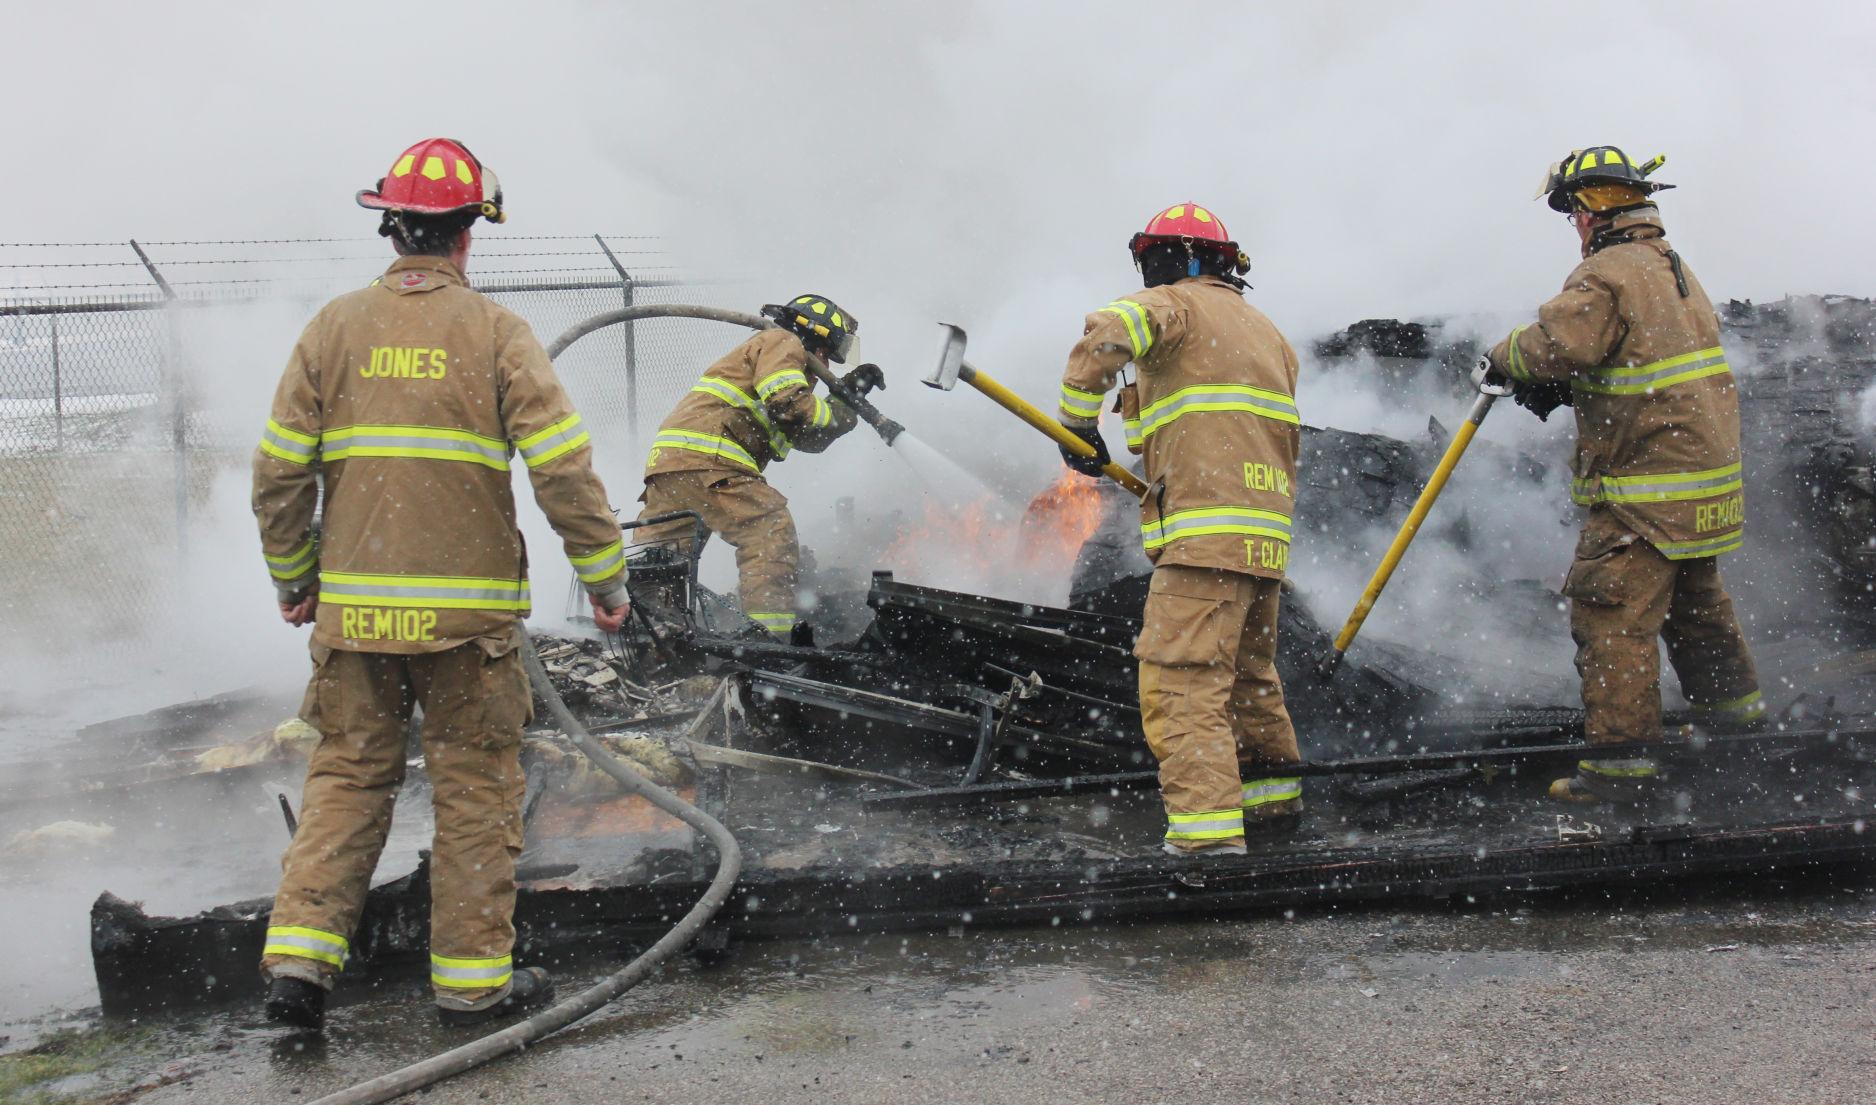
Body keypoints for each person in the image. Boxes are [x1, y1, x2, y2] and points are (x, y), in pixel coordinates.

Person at [251, 137, 630, 1031]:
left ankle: (297, 977)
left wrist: (295, 576)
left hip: (353, 625)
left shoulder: (331, 328)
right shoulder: (497, 332)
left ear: (392, 229)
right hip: (469, 629)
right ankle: (470, 989)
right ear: (467, 234)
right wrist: (607, 579)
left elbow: (276, 474)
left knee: (345, 780)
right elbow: (563, 471)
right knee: (473, 790)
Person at [1483, 146, 1763, 803]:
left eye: (1573, 212)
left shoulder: (1607, 273)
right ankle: (1740, 731)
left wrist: (1503, 355)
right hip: (1699, 487)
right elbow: (1625, 359)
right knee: (1698, 611)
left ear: (1589, 210)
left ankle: (1620, 770)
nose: (1574, 226)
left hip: (1645, 491)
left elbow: (1557, 343)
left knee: (1612, 616)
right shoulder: (1671, 267)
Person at [1053, 203, 1303, 856]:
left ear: (1185, 259)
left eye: (1155, 260)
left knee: (1181, 684)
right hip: (1262, 542)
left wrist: (1077, 420)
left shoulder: (1176, 306)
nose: (1150, 274)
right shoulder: (1266, 332)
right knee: (1249, 682)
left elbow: (1109, 326)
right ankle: (1273, 811)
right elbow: (1183, 428)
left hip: (1202, 542)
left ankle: (1206, 844)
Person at [633, 295, 882, 638]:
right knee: (770, 531)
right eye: (827, 353)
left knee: (662, 560)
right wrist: (835, 402)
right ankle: (766, 640)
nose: (826, 362)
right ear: (815, 337)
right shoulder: (784, 342)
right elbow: (789, 405)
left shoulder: (775, 359)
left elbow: (809, 437)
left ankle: (653, 635)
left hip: (671, 466)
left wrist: (844, 399)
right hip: (713, 459)